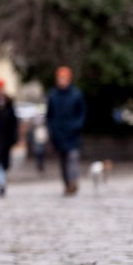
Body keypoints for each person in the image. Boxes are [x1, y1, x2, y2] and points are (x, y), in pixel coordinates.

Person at [46, 66, 86, 195]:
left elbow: (82, 113)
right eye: (60, 78)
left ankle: (73, 181)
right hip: (59, 134)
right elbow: (49, 115)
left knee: (73, 158)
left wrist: (77, 126)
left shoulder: (76, 94)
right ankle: (67, 183)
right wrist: (52, 129)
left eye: (64, 78)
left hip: (73, 134)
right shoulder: (52, 95)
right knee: (63, 161)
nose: (62, 80)